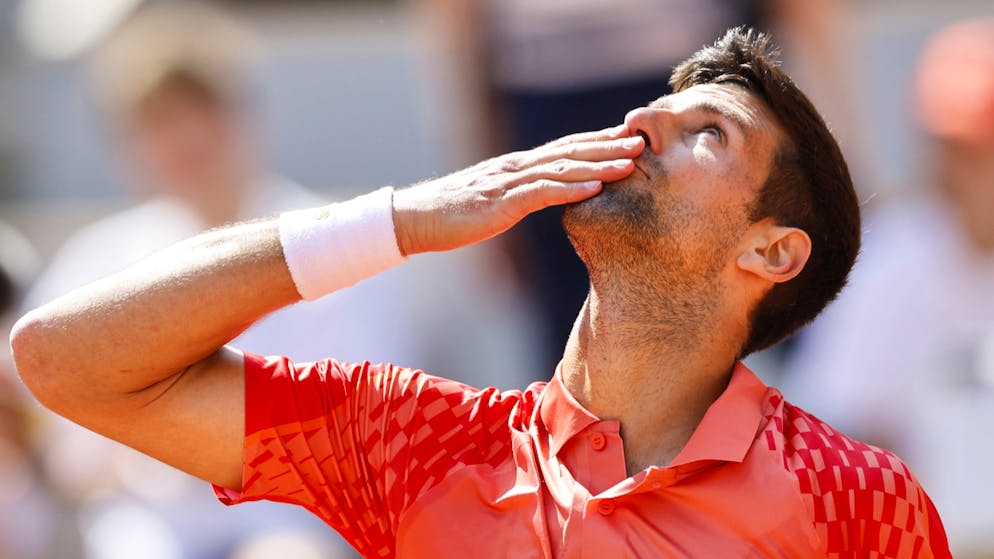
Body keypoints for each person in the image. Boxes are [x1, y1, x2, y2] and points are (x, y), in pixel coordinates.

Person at [11, 28, 950, 557]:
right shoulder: (414, 440)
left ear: (773, 252)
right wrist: (400, 218)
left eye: (710, 131)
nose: (641, 120)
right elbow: (61, 360)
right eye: (657, 104)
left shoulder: (854, 496)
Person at [782, 18, 994, 558]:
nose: (961, 167)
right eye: (952, 146)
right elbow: (828, 433)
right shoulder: (888, 264)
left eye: (979, 149)